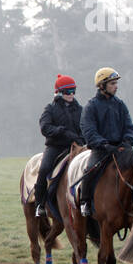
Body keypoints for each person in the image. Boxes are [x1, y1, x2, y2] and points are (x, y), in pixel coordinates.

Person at [78, 68, 133, 219]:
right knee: (89, 170)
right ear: (102, 86)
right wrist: (103, 144)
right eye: (112, 83)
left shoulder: (120, 105)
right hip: (101, 150)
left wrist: (127, 141)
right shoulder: (91, 107)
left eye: (116, 83)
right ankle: (85, 202)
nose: (116, 86)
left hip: (121, 148)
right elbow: (89, 130)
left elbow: (129, 127)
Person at [33, 75, 84, 217]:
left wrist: (80, 138)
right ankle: (40, 204)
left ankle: (86, 202)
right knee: (44, 169)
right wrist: (62, 132)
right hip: (55, 147)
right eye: (68, 91)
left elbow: (85, 127)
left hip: (76, 147)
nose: (72, 94)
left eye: (73, 90)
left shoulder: (80, 109)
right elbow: (45, 128)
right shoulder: (49, 109)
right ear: (59, 92)